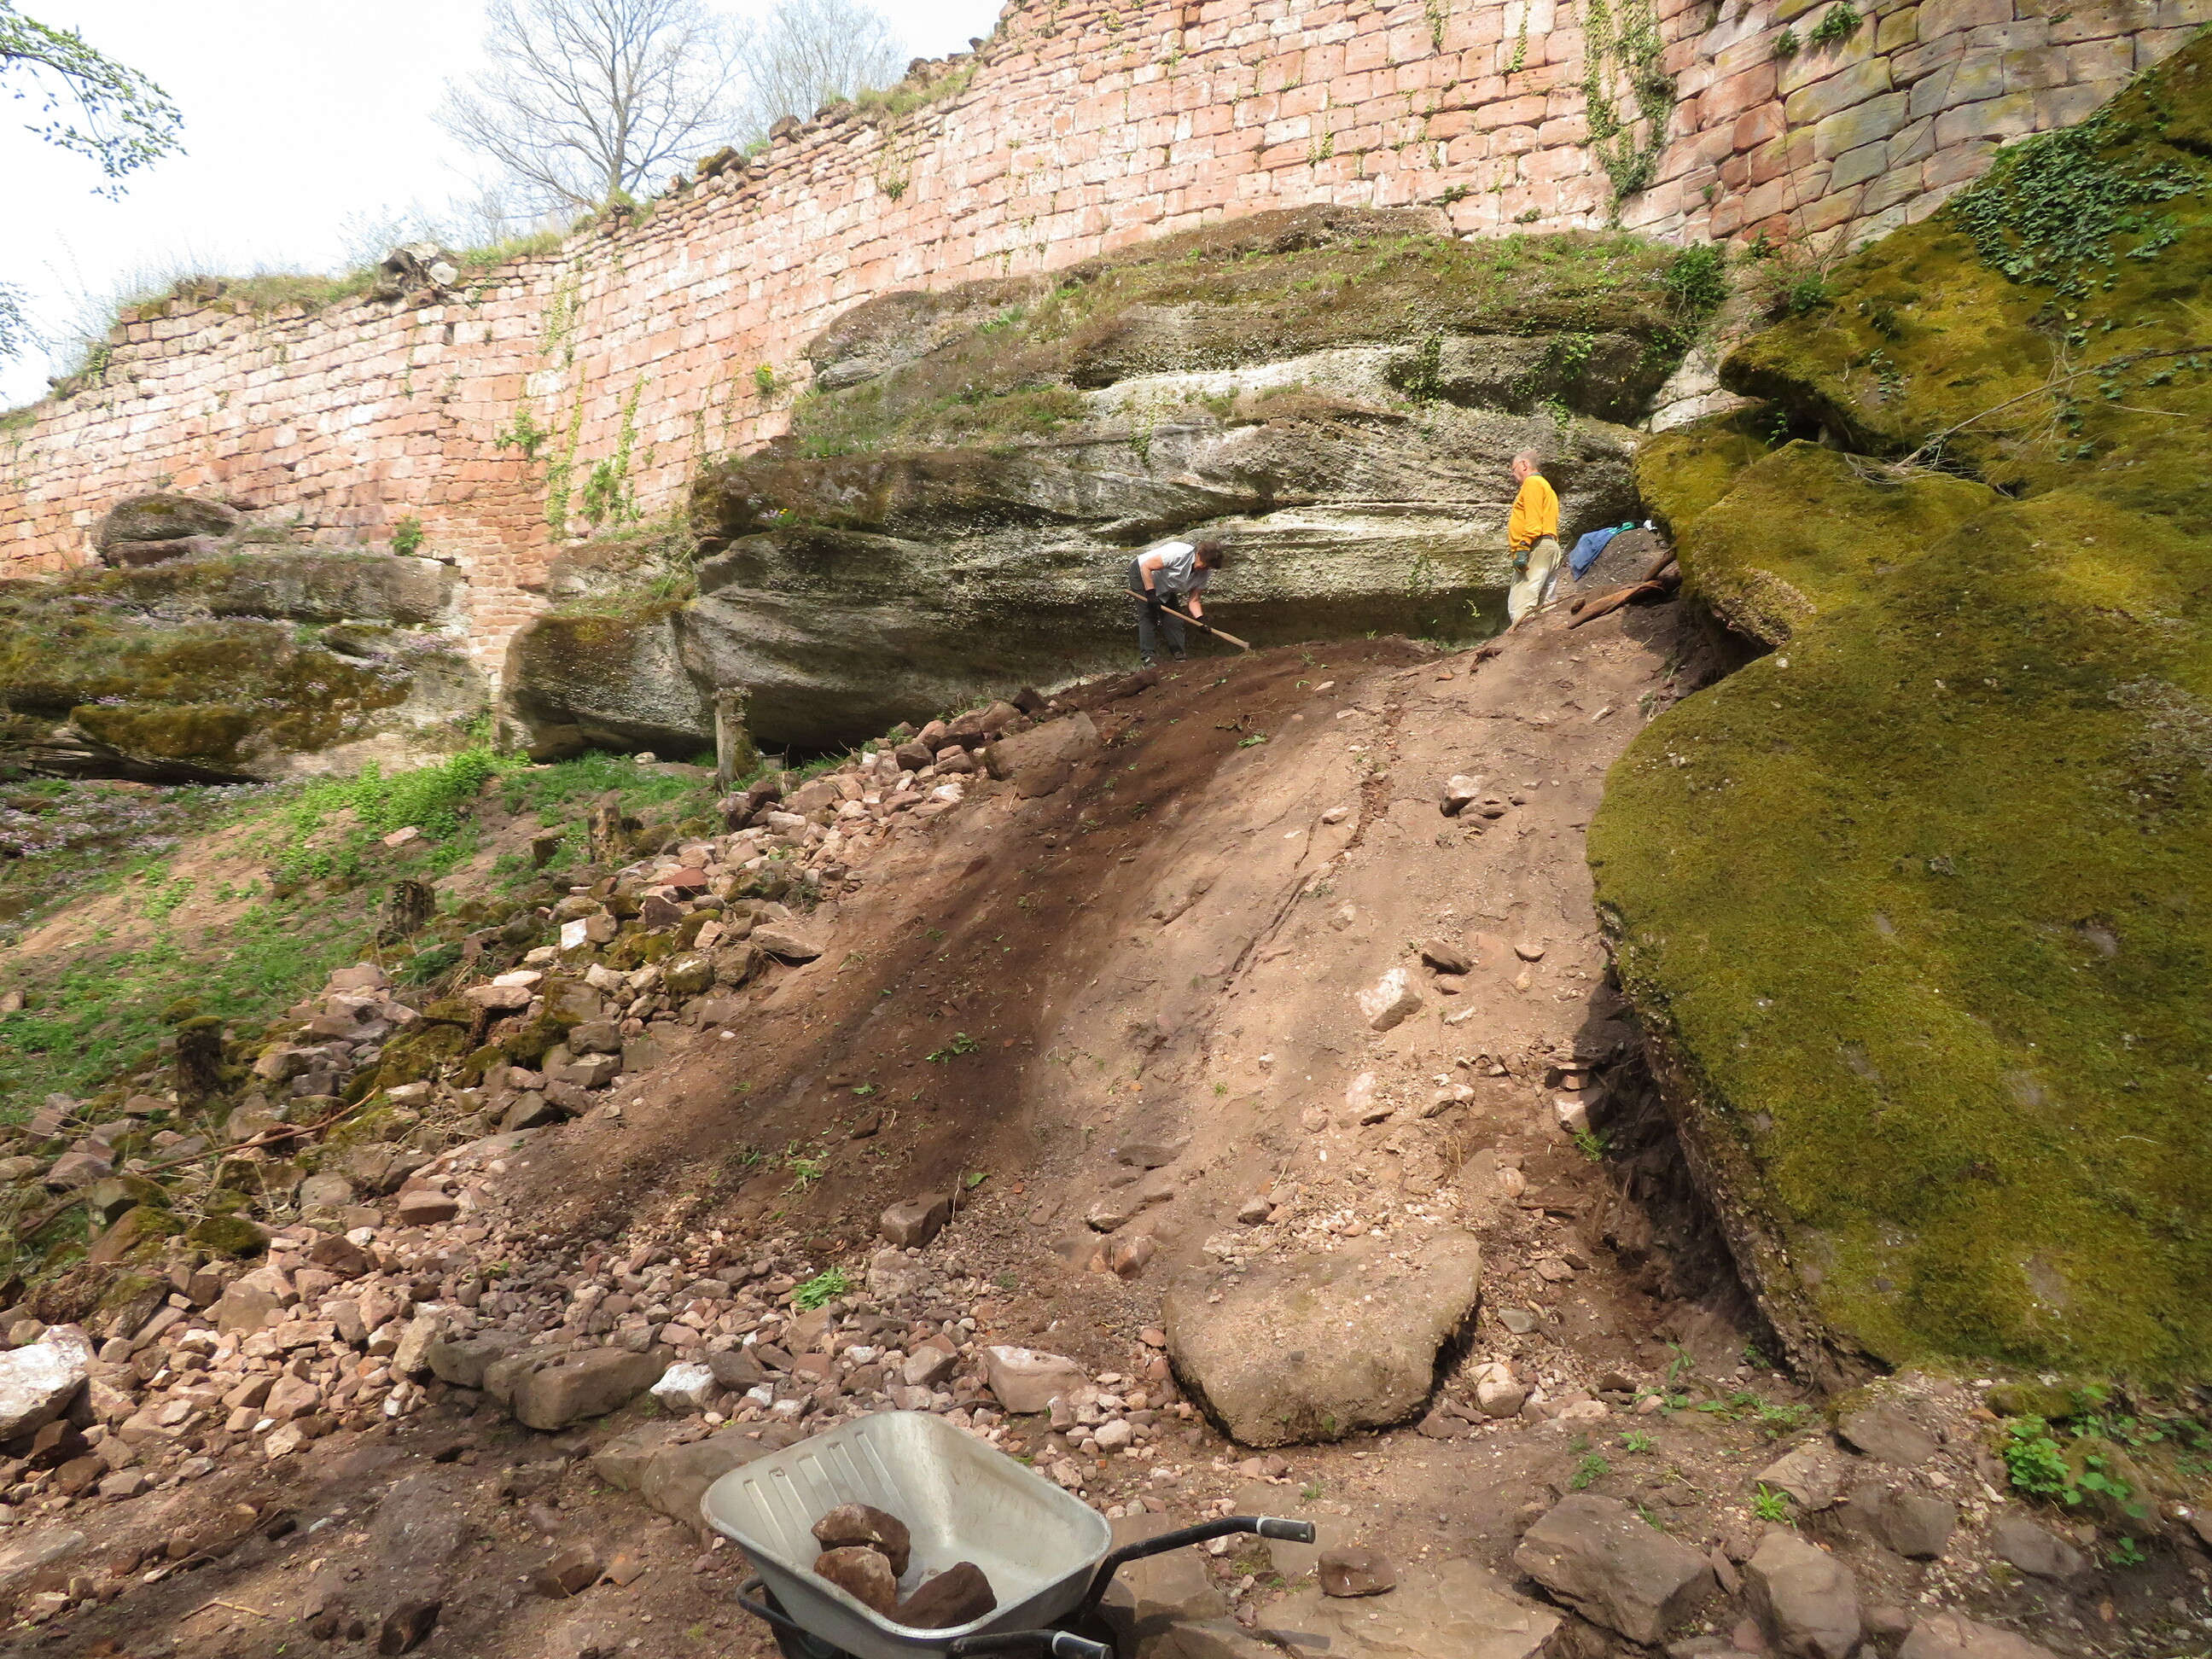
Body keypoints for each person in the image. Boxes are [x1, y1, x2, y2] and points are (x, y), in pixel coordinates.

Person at [1129, 537, 1229, 665]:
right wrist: (1150, 593)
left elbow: (1194, 600)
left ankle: (1180, 658)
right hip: (1143, 575)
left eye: (1208, 567)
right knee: (1149, 615)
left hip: (1166, 587)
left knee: (1174, 619)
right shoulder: (1179, 553)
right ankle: (1148, 658)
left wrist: (1200, 619)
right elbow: (1146, 566)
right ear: (1198, 554)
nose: (1204, 568)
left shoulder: (1204, 573)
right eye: (1203, 563)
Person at [1505, 450, 1562, 625]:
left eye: (1513, 469)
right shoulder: (1546, 487)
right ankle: (1546, 639)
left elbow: (1533, 521)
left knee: (1521, 605)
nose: (1513, 474)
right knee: (1546, 606)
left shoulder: (1532, 483)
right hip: (1550, 547)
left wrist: (1523, 547)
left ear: (1524, 465)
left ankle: (1520, 641)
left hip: (1536, 547)